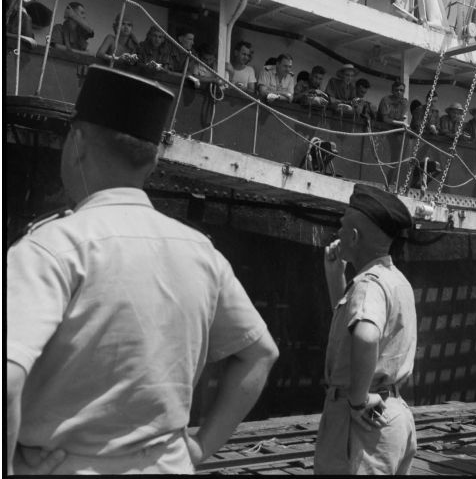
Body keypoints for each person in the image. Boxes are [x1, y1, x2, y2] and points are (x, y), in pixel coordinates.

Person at [7, 65, 279, 474]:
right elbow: (260, 353)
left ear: (76, 142)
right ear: (152, 163)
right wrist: (201, 448)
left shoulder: (51, 248)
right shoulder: (201, 252)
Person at [315, 184, 417, 475]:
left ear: (355, 236)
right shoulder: (396, 281)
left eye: (343, 225)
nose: (338, 230)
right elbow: (355, 327)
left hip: (362, 423)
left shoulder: (368, 284)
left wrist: (357, 400)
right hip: (393, 414)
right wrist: (336, 276)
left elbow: (366, 335)